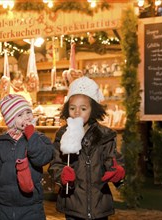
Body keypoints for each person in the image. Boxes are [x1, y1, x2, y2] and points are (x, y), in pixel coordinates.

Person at [48, 76, 125, 220]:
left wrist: (117, 171)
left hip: (99, 204)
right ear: (67, 109)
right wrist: (61, 175)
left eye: (83, 108)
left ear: (93, 110)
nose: (77, 112)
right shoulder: (63, 134)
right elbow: (55, 164)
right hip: (73, 204)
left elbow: (113, 160)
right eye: (72, 108)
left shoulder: (105, 135)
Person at [0, 94, 54, 220]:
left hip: (31, 205)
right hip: (4, 205)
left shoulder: (39, 138)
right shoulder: (0, 142)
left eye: (28, 112)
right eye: (19, 115)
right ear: (10, 121)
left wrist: (31, 136)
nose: (26, 117)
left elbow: (42, 158)